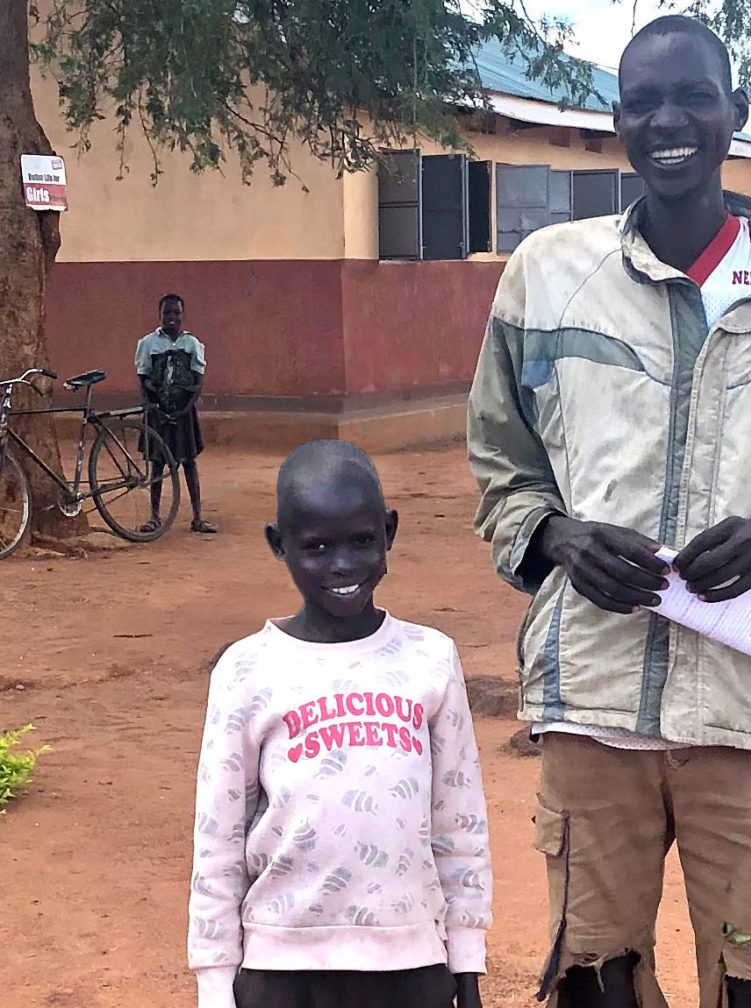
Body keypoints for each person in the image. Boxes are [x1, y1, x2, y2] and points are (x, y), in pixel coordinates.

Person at [467, 14, 751, 1008]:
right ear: (617, 120)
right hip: (590, 699)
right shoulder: (546, 276)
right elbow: (501, 462)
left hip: (750, 703)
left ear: (735, 118)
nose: (666, 119)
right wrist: (555, 536)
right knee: (594, 988)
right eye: (642, 101)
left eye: (691, 98)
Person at [187, 440, 492, 1008]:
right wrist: (213, 985)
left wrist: (467, 966)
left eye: (361, 540)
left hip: (412, 963)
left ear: (389, 532)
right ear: (279, 545)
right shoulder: (248, 669)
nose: (343, 565)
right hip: (282, 967)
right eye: (317, 546)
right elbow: (218, 837)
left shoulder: (430, 658)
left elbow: (459, 818)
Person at [135, 293, 217, 534]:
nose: (171, 318)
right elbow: (143, 380)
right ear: (159, 315)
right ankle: (154, 517)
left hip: (183, 412)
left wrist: (185, 408)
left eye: (176, 313)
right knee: (157, 464)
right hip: (157, 411)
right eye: (166, 313)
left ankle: (197, 517)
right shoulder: (148, 344)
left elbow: (198, 380)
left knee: (189, 463)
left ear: (183, 315)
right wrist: (153, 408)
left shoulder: (192, 344)